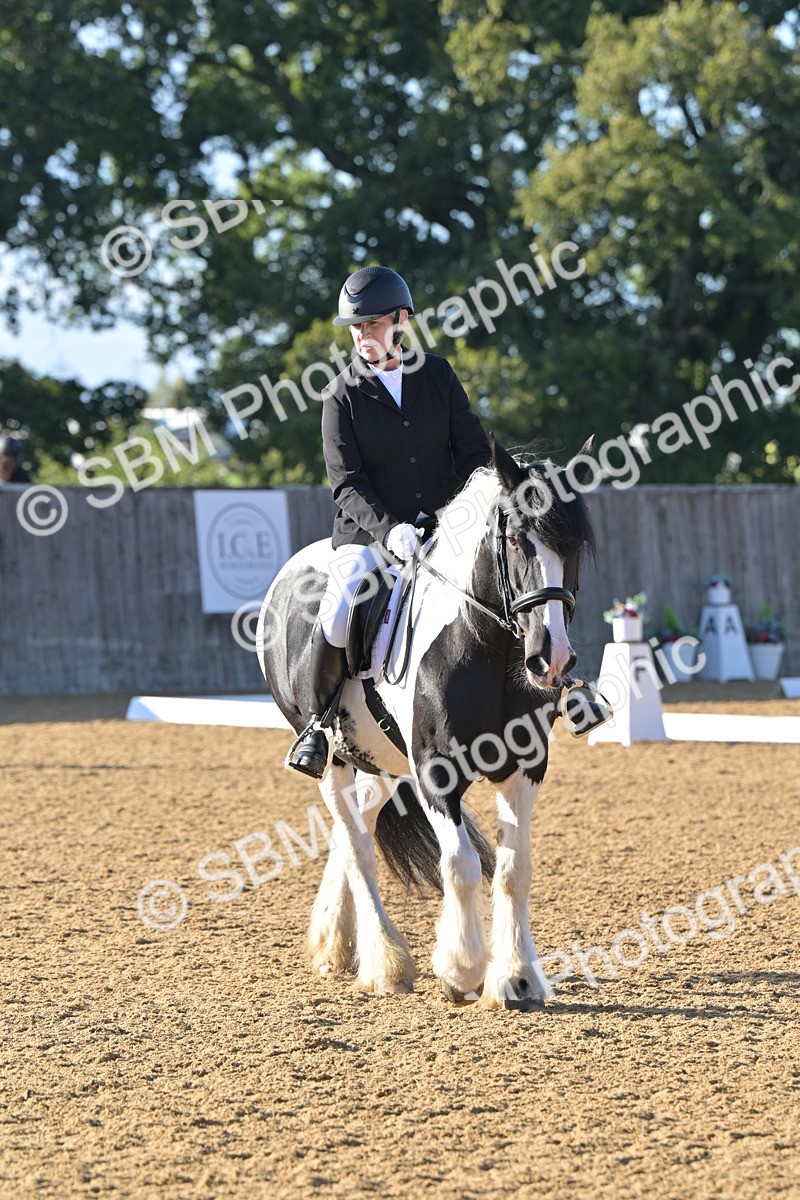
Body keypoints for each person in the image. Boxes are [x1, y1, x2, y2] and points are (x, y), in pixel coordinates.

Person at [289, 266, 492, 777]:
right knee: (341, 605)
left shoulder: (438, 376)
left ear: (400, 320)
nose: (361, 335)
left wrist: (463, 512)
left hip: (444, 527)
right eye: (355, 327)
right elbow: (346, 482)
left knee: (507, 573)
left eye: (371, 324)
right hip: (371, 534)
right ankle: (317, 723)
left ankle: (557, 689)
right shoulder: (341, 395)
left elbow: (471, 453)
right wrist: (389, 529)